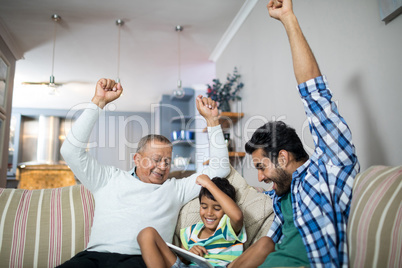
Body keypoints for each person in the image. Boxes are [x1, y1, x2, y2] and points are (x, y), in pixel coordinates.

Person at [229, 0, 360, 267]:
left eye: (261, 166)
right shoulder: (282, 195)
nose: (261, 176)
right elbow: (266, 240)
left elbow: (316, 97)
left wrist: (288, 19)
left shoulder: (330, 170)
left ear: (284, 157)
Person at [58, 79, 230, 267]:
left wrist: (212, 121)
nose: (163, 166)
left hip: (140, 260)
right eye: (156, 160)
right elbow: (70, 151)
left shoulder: (175, 189)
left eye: (167, 161)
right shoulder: (107, 178)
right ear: (137, 159)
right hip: (93, 257)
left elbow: (220, 168)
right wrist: (98, 101)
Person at [137, 175, 247, 268]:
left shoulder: (227, 227)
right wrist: (189, 255)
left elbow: (237, 216)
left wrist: (209, 184)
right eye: (204, 207)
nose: (209, 213)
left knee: (263, 244)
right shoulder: (190, 232)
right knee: (146, 234)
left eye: (217, 208)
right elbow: (181, 261)